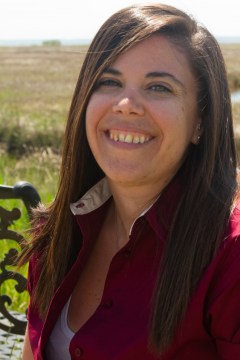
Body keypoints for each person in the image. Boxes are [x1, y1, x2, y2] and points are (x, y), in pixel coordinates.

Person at [19, 3, 240, 359]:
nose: (125, 104)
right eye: (109, 81)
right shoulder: (56, 236)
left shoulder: (231, 257)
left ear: (200, 122)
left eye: (158, 87)